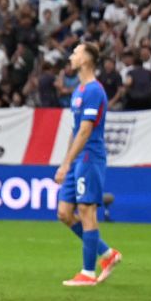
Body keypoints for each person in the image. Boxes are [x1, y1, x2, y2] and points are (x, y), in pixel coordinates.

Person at [54, 42, 122, 287]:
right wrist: (65, 162)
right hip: (77, 160)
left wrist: (68, 163)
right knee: (64, 212)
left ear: (86, 59)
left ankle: (88, 272)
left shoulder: (94, 91)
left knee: (86, 211)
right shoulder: (79, 90)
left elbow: (85, 131)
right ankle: (107, 254)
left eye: (76, 52)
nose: (71, 56)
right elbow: (75, 131)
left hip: (90, 157)